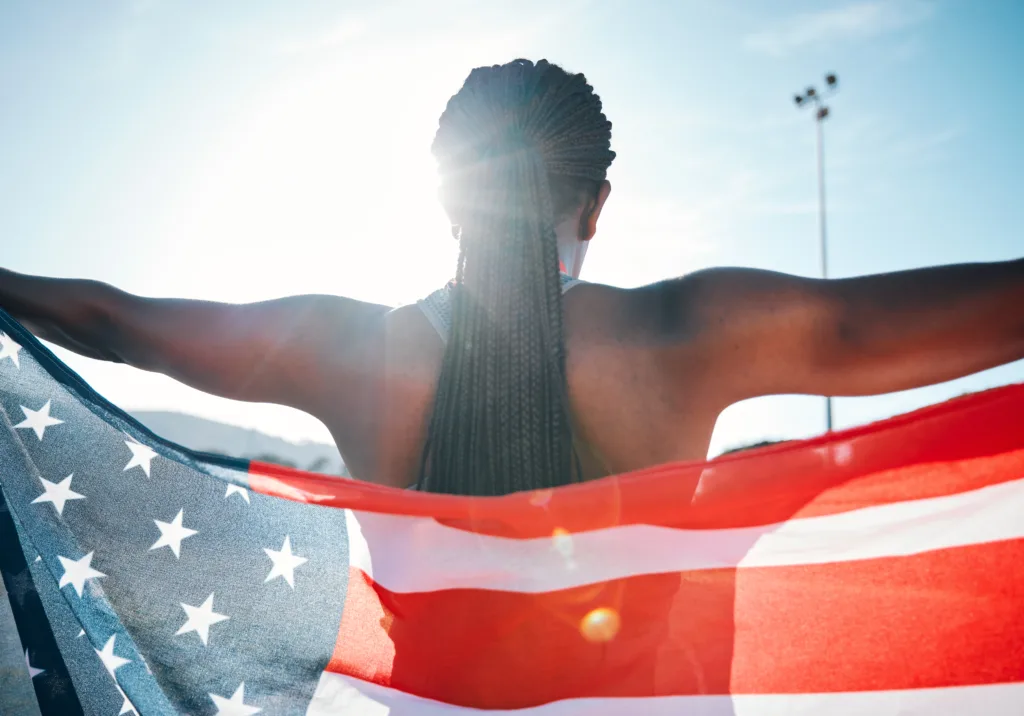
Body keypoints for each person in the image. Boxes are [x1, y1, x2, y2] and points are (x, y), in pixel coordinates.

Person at [1, 58, 1021, 496]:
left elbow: (113, 320)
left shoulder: (345, 349)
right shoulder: (690, 329)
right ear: (595, 203)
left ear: (446, 199)